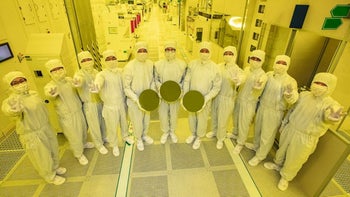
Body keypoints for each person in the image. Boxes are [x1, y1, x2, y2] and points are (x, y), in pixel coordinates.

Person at [263, 72, 345, 191]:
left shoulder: (331, 104)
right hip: (291, 128)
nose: (318, 86)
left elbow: (329, 116)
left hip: (306, 137)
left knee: (295, 158)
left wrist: (332, 117)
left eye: (323, 84)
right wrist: (285, 123)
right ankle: (277, 164)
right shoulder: (305, 95)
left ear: (330, 87)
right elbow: (292, 108)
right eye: (316, 82)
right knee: (282, 149)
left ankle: (286, 177)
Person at [2, 71, 66, 185]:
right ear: (10, 86)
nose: (20, 84)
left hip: (45, 128)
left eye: (22, 80)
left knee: (53, 149)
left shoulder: (33, 94)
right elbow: (8, 110)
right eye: (15, 83)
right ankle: (49, 176)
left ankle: (55, 168)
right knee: (42, 156)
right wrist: (14, 110)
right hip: (32, 134)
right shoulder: (10, 101)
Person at [246, 55, 298, 166]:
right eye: (279, 62)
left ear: (288, 66)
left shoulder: (290, 81)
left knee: (267, 135)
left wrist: (290, 95)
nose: (280, 65)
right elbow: (259, 88)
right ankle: (256, 146)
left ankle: (260, 156)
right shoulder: (269, 75)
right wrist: (258, 85)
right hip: (263, 106)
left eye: (284, 63)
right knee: (258, 129)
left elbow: (294, 99)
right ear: (274, 63)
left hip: (275, 112)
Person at [44, 59, 92, 165]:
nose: (58, 72)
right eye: (54, 71)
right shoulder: (50, 86)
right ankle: (79, 154)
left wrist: (79, 81)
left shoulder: (69, 80)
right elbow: (49, 94)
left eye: (60, 69)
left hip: (78, 110)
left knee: (83, 129)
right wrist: (52, 93)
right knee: (73, 136)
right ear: (50, 73)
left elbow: (78, 85)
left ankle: (83, 143)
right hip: (67, 116)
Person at [90, 50, 134, 156]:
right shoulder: (102, 74)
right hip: (110, 107)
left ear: (117, 59)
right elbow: (98, 82)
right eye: (108, 59)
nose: (111, 61)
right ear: (104, 61)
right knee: (111, 126)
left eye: (113, 58)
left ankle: (125, 137)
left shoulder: (121, 71)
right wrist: (96, 86)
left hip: (121, 104)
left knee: (124, 122)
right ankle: (114, 144)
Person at [183, 41, 222, 150]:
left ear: (210, 52)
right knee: (191, 117)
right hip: (191, 98)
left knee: (202, 119)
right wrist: (186, 94)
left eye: (206, 51)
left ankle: (199, 137)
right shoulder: (192, 64)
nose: (204, 53)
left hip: (205, 99)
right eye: (202, 51)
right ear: (198, 52)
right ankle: (193, 134)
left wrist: (206, 98)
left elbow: (216, 87)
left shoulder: (215, 68)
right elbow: (187, 80)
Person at [206, 46, 246, 149]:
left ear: (235, 55)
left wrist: (238, 80)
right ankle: (214, 131)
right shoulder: (219, 66)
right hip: (216, 96)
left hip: (227, 99)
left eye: (230, 53)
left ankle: (221, 138)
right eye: (226, 53)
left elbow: (242, 78)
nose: (228, 55)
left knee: (223, 120)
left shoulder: (237, 70)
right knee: (214, 116)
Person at [230, 49, 267, 154]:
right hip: (240, 98)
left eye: (258, 59)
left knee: (244, 123)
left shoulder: (262, 75)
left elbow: (259, 89)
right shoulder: (247, 69)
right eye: (253, 58)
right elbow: (242, 78)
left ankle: (240, 143)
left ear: (262, 61)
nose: (254, 61)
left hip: (249, 103)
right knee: (236, 117)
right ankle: (235, 133)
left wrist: (258, 86)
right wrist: (237, 79)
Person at [73, 51, 108, 155]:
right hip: (90, 104)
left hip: (99, 101)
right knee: (94, 125)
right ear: (80, 63)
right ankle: (98, 144)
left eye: (89, 59)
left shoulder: (96, 72)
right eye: (83, 60)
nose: (87, 62)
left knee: (102, 121)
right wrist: (77, 82)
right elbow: (78, 81)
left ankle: (104, 137)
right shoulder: (79, 74)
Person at [123, 42, 155, 151]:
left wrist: (152, 93)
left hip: (147, 99)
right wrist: (137, 100)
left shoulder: (150, 64)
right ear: (136, 52)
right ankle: (139, 138)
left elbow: (152, 81)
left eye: (144, 51)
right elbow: (126, 88)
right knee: (137, 121)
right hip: (134, 101)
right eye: (139, 51)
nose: (142, 53)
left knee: (146, 119)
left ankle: (144, 135)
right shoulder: (129, 67)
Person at [155, 41, 187, 144]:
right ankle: (165, 132)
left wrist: (180, 90)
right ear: (164, 51)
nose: (170, 52)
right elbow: (156, 79)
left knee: (174, 114)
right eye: (167, 50)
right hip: (162, 95)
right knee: (163, 114)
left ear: (175, 51)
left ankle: (172, 131)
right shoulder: (158, 64)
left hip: (175, 95)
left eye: (172, 50)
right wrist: (160, 89)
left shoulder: (182, 64)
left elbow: (184, 79)